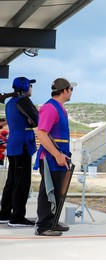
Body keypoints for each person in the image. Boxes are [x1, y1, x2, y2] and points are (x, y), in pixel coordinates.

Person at [33, 78, 76, 236]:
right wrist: (57, 154)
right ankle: (43, 225)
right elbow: (42, 133)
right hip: (52, 157)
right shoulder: (50, 108)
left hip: (59, 156)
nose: (72, 92)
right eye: (71, 89)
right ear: (64, 90)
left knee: (58, 189)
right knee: (48, 190)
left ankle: (53, 221)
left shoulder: (59, 108)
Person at [0, 77, 38, 226]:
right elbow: (37, 119)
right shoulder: (23, 101)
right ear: (25, 87)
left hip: (14, 144)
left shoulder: (10, 103)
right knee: (22, 182)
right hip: (23, 144)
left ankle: (4, 214)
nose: (31, 88)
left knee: (11, 181)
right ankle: (17, 217)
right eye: (30, 86)